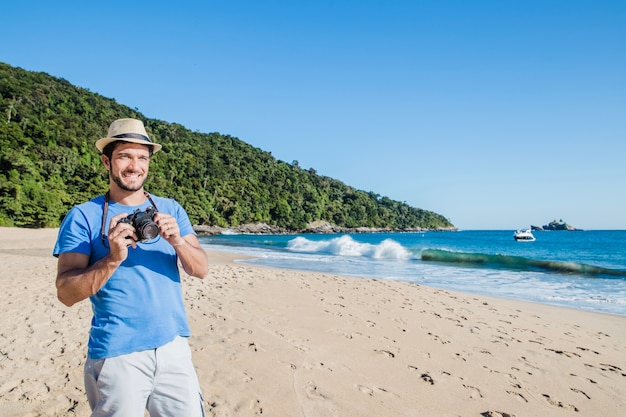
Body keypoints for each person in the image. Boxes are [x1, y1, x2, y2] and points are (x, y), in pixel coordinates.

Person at [54, 118, 209, 416]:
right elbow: (66, 293)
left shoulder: (171, 209)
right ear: (106, 161)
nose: (134, 165)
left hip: (173, 345)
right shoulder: (83, 217)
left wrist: (177, 240)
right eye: (124, 155)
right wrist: (112, 258)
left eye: (142, 157)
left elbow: (201, 269)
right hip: (117, 352)